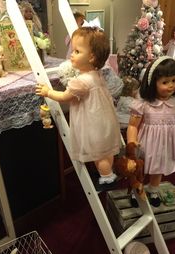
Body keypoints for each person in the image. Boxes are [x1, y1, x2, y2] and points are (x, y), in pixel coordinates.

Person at [36, 27, 121, 191]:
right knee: (105, 151)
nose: (71, 54)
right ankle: (107, 172)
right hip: (106, 120)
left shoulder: (80, 81)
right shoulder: (97, 74)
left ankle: (107, 178)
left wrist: (48, 92)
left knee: (98, 153)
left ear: (91, 57)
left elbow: (64, 97)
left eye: (76, 51)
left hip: (94, 124)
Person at [127, 56, 175, 207]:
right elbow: (133, 125)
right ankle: (135, 191)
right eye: (165, 82)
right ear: (153, 82)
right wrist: (132, 144)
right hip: (146, 142)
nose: (171, 86)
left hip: (166, 143)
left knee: (159, 167)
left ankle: (153, 189)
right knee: (141, 168)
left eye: (173, 80)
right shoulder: (144, 102)